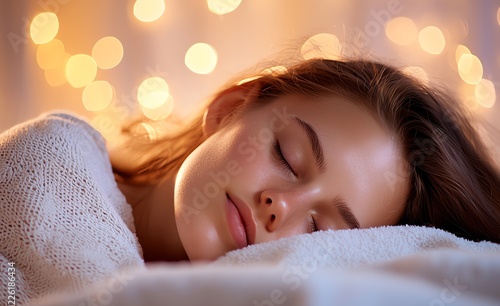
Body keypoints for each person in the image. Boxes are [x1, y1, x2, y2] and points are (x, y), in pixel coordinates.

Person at [111, 58, 500, 262]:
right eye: (286, 156)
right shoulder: (55, 166)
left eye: (318, 227)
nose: (280, 204)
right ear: (229, 109)